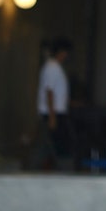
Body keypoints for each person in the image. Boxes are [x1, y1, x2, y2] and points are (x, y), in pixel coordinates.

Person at [36, 36, 73, 168]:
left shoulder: (54, 67)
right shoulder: (52, 67)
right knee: (59, 145)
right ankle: (65, 170)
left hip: (56, 113)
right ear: (61, 52)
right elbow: (49, 92)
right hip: (53, 114)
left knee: (49, 145)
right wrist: (52, 116)